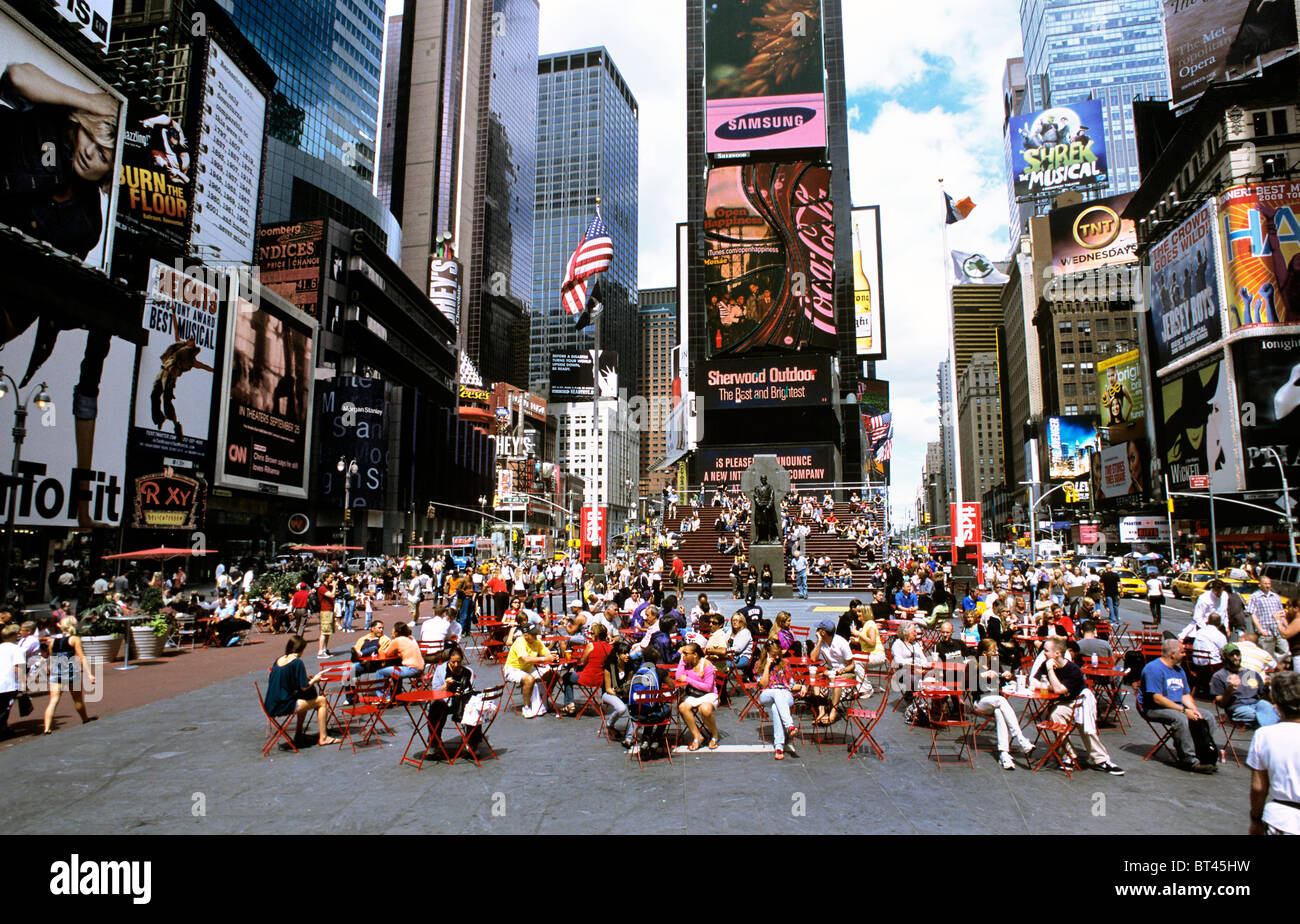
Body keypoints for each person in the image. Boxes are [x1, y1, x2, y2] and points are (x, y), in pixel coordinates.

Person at [1034, 636, 1125, 775]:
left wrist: (1050, 673)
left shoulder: (1072, 669)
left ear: (1057, 653)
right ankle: (1067, 755)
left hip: (1079, 701)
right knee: (1054, 715)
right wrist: (1050, 685)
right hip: (1062, 703)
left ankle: (1101, 760)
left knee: (1085, 726)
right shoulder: (1045, 664)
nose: (1043, 653)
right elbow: (1033, 682)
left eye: (1046, 650)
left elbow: (1059, 690)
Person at [1140, 638, 1218, 773]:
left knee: (1208, 716)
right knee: (1181, 719)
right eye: (1182, 652)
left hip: (1177, 706)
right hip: (1154, 708)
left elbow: (1185, 694)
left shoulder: (1179, 670)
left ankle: (1203, 753)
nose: (1184, 654)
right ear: (1172, 654)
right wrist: (1183, 710)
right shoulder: (1153, 669)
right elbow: (1157, 699)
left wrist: (1194, 710)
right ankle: (1188, 760)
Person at [1248, 671, 1300, 835]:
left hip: (1280, 818)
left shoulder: (1265, 735)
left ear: (1276, 705)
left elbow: (1259, 787)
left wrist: (1255, 819)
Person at [972, 639, 1036, 770]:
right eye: (993, 650)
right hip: (980, 702)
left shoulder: (996, 664)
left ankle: (1004, 754)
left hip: (994, 702)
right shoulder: (974, 664)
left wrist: (1007, 677)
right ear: (984, 653)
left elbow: (1001, 680)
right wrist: (983, 675)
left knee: (999, 712)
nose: (996, 652)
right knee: (1001, 701)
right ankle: (1020, 738)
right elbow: (966, 682)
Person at [264, 636, 337, 747]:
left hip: (270, 704)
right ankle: (323, 737)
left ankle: (299, 735)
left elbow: (286, 679)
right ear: (301, 649)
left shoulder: (279, 660)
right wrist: (315, 680)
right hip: (283, 705)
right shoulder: (297, 662)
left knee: (304, 699)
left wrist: (304, 677)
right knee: (322, 701)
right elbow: (304, 687)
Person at [42, 616, 96, 734]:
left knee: (53, 700)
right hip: (71, 671)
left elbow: (51, 658)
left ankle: (47, 727)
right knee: (77, 699)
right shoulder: (74, 639)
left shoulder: (53, 641)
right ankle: (85, 719)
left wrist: (50, 671)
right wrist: (89, 674)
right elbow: (82, 657)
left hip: (56, 672)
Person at [1212, 643, 1279, 727]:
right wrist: (1229, 690)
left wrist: (1266, 688)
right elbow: (1221, 704)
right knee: (1265, 717)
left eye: (1237, 654)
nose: (1236, 657)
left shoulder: (1252, 673)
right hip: (1237, 706)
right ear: (1224, 658)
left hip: (1256, 704)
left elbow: (1265, 698)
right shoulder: (1219, 676)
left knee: (1273, 711)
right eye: (1231, 655)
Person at [759, 642, 806, 760]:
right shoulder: (760, 664)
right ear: (768, 653)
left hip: (785, 695)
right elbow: (762, 685)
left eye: (778, 654)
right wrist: (767, 667)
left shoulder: (785, 664)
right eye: (773, 655)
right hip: (767, 693)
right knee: (776, 692)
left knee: (776, 708)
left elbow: (791, 685)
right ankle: (789, 725)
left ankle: (779, 746)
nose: (776, 657)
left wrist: (801, 687)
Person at [504, 622, 556, 718]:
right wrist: (544, 659)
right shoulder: (520, 642)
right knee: (529, 679)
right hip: (513, 669)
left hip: (529, 669)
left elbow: (546, 652)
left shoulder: (537, 641)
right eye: (533, 634)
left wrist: (551, 657)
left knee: (553, 674)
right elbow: (526, 659)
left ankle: (544, 700)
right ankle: (526, 707)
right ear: (526, 635)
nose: (536, 636)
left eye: (536, 633)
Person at [559, 623, 612, 716]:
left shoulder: (591, 645)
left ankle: (570, 704)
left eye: (592, 633)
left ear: (596, 635)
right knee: (570, 676)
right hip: (602, 679)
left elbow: (583, 662)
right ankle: (569, 705)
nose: (590, 635)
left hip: (589, 677)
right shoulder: (610, 647)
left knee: (566, 677)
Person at [675, 642, 719, 750]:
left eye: (686, 653)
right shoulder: (686, 663)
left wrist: (688, 679)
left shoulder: (706, 665)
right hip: (693, 694)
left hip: (708, 694)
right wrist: (682, 661)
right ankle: (697, 736)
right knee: (682, 707)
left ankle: (714, 735)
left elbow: (708, 687)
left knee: (705, 709)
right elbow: (678, 676)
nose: (683, 655)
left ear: (695, 654)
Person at [602, 640, 637, 747]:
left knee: (637, 708)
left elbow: (628, 684)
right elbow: (608, 688)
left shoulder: (630, 665)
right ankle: (609, 724)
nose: (627, 655)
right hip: (609, 693)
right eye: (624, 653)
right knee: (621, 708)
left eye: (628, 653)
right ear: (618, 655)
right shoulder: (609, 666)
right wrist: (620, 695)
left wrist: (627, 694)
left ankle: (629, 738)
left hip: (623, 693)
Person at [373, 622, 424, 692]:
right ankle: (397, 692)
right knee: (395, 668)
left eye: (392, 633)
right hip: (420, 668)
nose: (392, 635)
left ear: (396, 633)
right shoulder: (411, 638)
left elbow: (387, 653)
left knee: (380, 672)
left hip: (411, 669)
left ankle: (383, 696)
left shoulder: (397, 640)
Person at [1247, 576, 1287, 659]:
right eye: (1265, 583)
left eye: (1269, 583)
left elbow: (1281, 613)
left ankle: (1275, 665)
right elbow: (1253, 614)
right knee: (1266, 655)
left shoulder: (1276, 597)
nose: (1267, 586)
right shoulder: (1255, 597)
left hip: (1278, 630)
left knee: (1285, 651)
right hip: (1266, 631)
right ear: (1260, 584)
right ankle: (1269, 669)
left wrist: (1286, 626)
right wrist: (1260, 629)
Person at [0, 625, 25, 739]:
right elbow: (18, 668)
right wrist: (22, 684)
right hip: (8, 684)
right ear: (14, 635)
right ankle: (3, 729)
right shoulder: (16, 649)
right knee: (5, 708)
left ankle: (4, 728)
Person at [315, 576, 336, 658]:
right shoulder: (322, 588)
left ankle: (325, 649)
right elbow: (331, 595)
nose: (332, 579)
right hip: (325, 611)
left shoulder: (327, 587)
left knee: (328, 632)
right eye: (330, 577)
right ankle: (320, 651)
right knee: (324, 632)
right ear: (325, 578)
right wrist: (334, 587)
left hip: (329, 610)